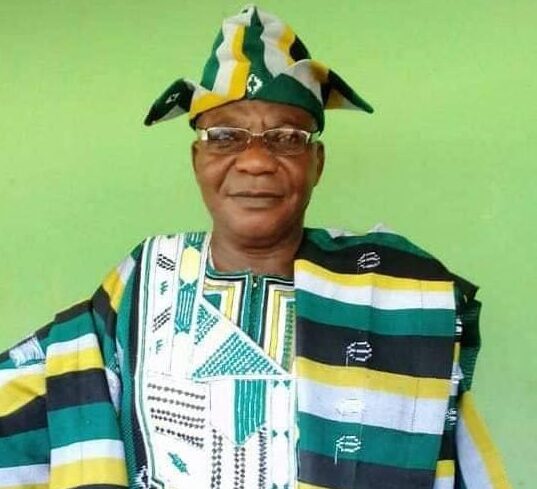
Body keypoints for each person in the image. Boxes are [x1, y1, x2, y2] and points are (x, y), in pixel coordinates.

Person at [0, 5, 510, 489]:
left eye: (287, 138)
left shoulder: (394, 295)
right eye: (225, 137)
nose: (256, 161)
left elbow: (453, 456)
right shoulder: (142, 284)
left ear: (317, 163)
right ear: (197, 160)